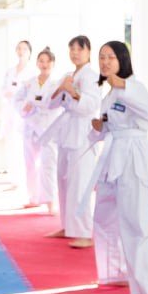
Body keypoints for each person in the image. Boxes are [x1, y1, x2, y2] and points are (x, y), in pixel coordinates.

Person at [88, 40, 148, 294]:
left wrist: (123, 86)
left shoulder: (133, 86)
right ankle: (114, 272)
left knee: (136, 223)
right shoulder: (108, 95)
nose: (105, 62)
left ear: (122, 59)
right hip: (113, 156)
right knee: (103, 216)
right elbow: (108, 129)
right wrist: (99, 127)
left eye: (110, 57)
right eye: (102, 57)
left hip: (133, 158)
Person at [49, 35, 98, 247]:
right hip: (66, 133)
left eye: (79, 49)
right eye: (72, 49)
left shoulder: (92, 76)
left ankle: (85, 232)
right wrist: (62, 88)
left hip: (83, 135)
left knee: (80, 184)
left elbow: (91, 106)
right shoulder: (68, 75)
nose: (75, 53)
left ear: (88, 52)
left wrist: (73, 92)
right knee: (64, 181)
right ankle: (68, 226)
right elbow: (51, 104)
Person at [20, 47, 63, 211]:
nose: (44, 64)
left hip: (48, 128)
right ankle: (33, 197)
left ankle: (50, 201)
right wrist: (25, 107)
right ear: (37, 63)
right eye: (41, 61)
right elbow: (18, 100)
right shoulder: (29, 83)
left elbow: (56, 104)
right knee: (30, 163)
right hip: (30, 126)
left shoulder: (57, 84)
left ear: (53, 63)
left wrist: (38, 104)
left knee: (48, 164)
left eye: (48, 61)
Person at [1, 39, 34, 191]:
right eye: (19, 48)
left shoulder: (31, 73)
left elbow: (31, 93)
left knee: (22, 145)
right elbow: (3, 89)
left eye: (24, 49)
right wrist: (7, 93)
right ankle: (13, 177)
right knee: (10, 143)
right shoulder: (10, 71)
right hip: (10, 111)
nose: (21, 52)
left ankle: (23, 178)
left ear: (29, 53)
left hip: (23, 113)